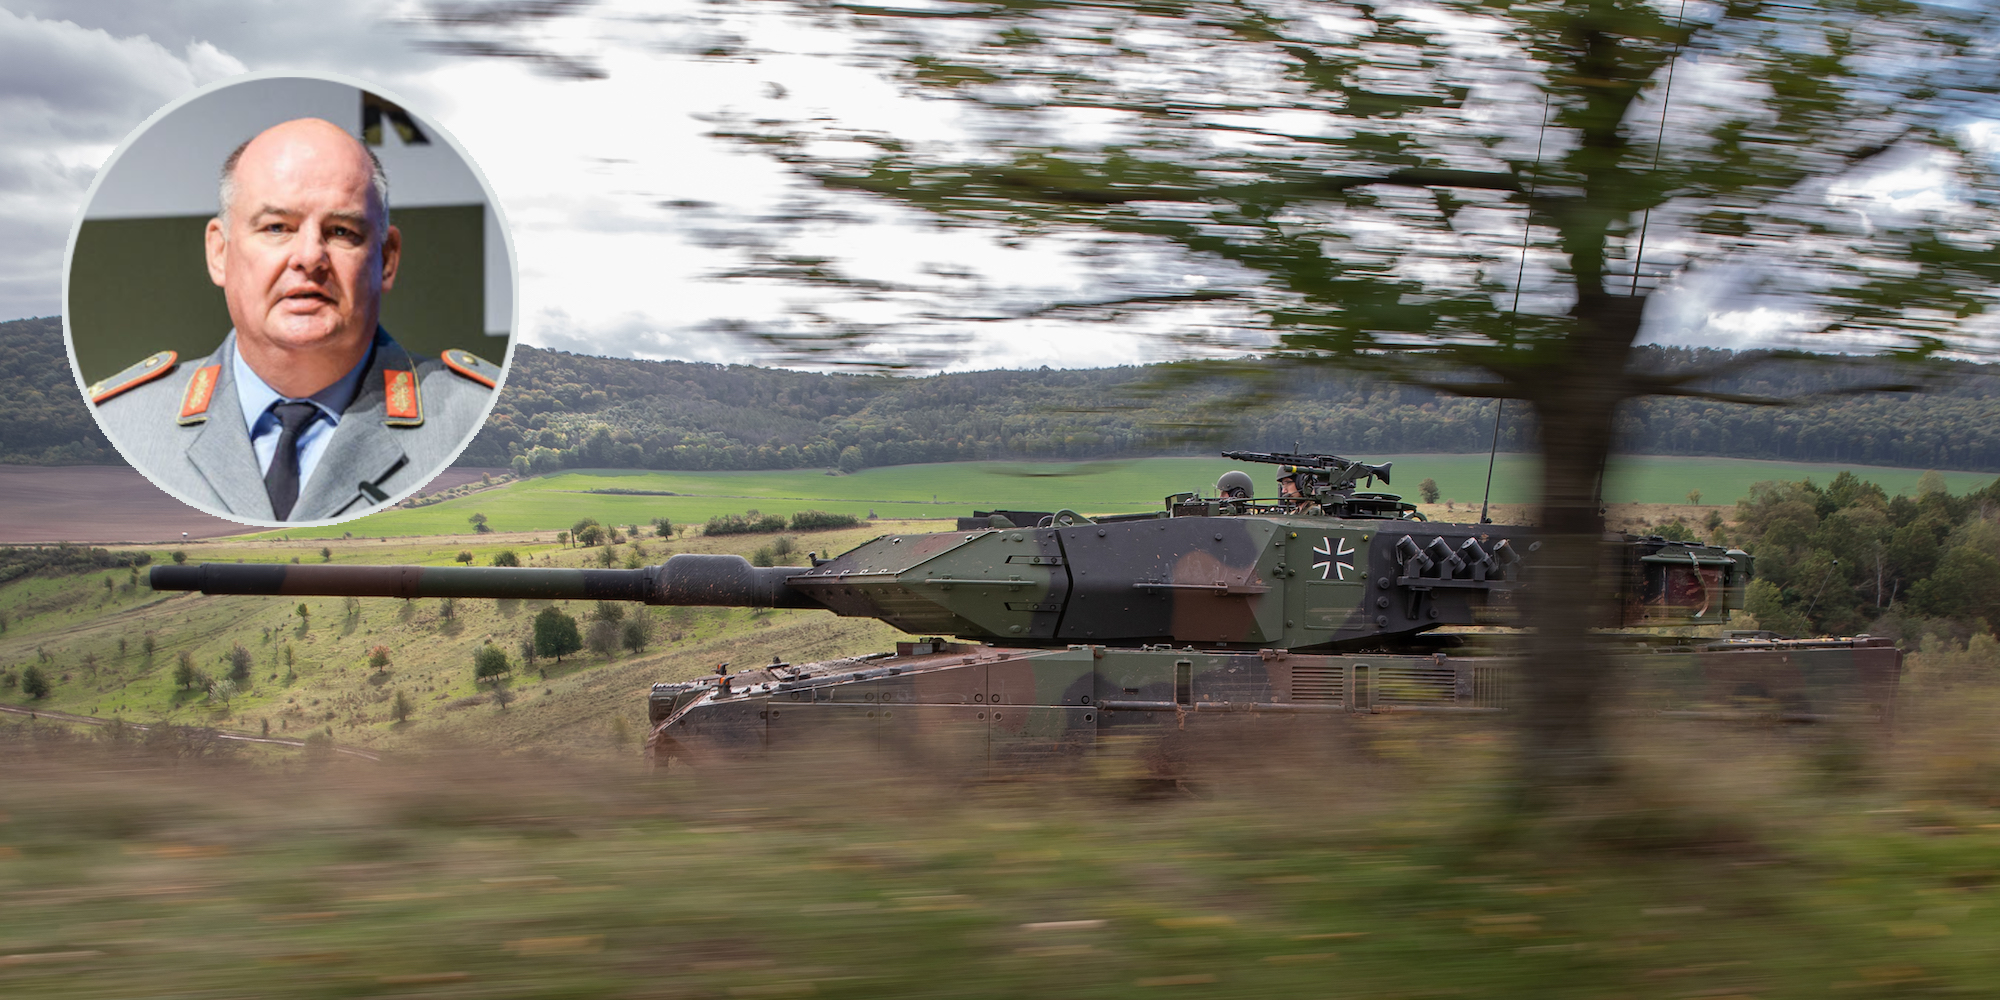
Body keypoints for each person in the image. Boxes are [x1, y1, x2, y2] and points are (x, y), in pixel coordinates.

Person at [87, 118, 498, 522]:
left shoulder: (476, 417)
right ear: (219, 252)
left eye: (340, 231)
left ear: (387, 259)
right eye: (277, 227)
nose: (309, 257)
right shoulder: (124, 422)